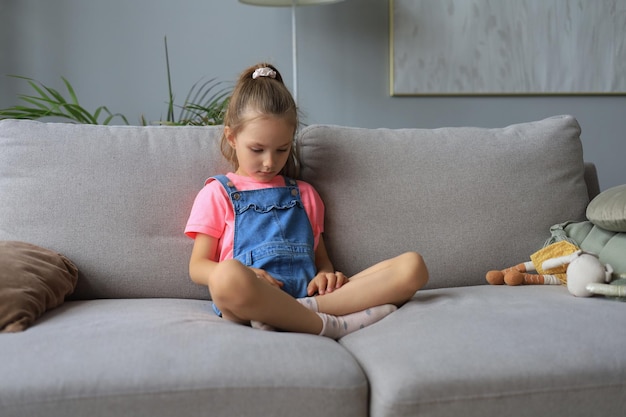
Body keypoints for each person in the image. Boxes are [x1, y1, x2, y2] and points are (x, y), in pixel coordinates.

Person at [185, 63, 428, 339]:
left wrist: (327, 275)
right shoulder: (218, 193)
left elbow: (321, 261)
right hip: (250, 298)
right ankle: (327, 325)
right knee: (227, 276)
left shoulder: (305, 194)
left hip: (308, 295)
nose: (269, 162)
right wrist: (246, 272)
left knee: (413, 266)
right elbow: (198, 267)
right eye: (257, 149)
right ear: (232, 137)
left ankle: (296, 314)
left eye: (282, 150)